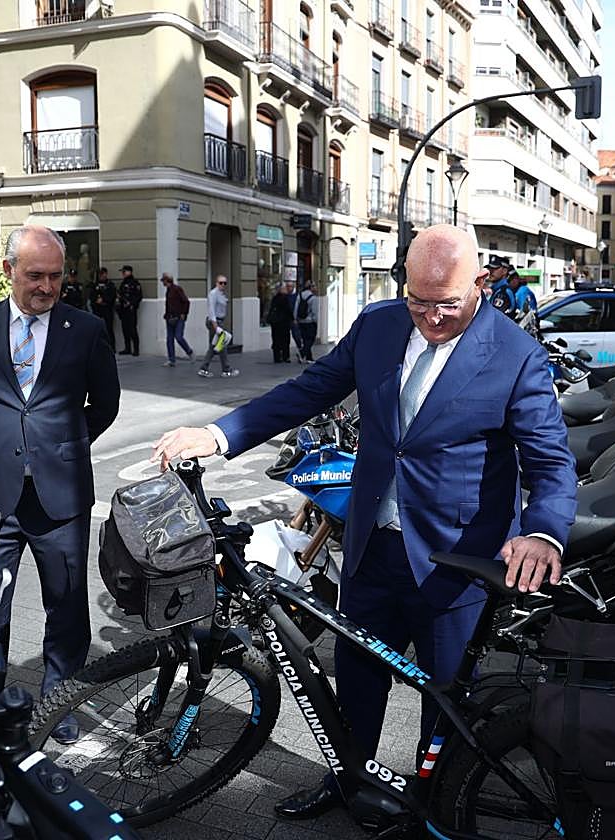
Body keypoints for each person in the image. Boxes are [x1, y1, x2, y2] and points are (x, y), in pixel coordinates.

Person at [153, 224, 576, 821]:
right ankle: (350, 780)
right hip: (371, 543)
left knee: (444, 698)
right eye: (418, 301)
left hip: (455, 560)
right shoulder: (379, 326)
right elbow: (309, 390)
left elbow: (550, 460)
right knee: (356, 678)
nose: (431, 318)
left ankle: (437, 807)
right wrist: (220, 434)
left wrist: (542, 531)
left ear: (480, 283)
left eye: (447, 303)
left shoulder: (515, 354)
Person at [0, 224, 120, 745]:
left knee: (65, 605)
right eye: (35, 275)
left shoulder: (85, 329)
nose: (46, 287)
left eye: (55, 276)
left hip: (60, 498)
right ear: (9, 271)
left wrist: (60, 445)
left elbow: (105, 404)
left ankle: (58, 702)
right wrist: (3, 445)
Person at [197, 274, 238, 378]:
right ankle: (226, 369)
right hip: (214, 322)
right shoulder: (213, 294)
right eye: (221, 283)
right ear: (216, 283)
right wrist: (216, 327)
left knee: (215, 345)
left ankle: (204, 368)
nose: (223, 285)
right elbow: (211, 311)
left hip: (219, 322)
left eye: (225, 283)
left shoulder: (222, 294)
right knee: (221, 345)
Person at [162, 272, 193, 366]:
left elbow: (186, 301)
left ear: (167, 280)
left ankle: (189, 352)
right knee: (169, 339)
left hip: (179, 317)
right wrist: (166, 315)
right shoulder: (168, 290)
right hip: (169, 317)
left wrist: (184, 313)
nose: (162, 282)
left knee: (178, 337)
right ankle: (171, 360)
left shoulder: (177, 289)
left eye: (163, 280)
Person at [117, 265, 144, 356]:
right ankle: (127, 348)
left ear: (129, 272)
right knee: (125, 329)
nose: (123, 274)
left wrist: (131, 303)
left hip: (131, 310)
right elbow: (120, 295)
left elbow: (139, 296)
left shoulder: (135, 283)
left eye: (124, 272)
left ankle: (136, 349)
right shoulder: (123, 283)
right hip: (123, 310)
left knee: (132, 329)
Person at [267, 280, 295, 363]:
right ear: (281, 289)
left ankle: (277, 357)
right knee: (285, 340)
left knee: (276, 340)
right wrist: (293, 318)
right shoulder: (285, 298)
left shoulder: (275, 298)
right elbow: (288, 310)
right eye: (285, 288)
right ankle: (286, 357)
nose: (286, 289)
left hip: (275, 323)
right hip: (283, 322)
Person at [93, 267, 117, 348]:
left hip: (107, 309)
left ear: (106, 274)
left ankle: (112, 347)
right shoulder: (95, 284)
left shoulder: (110, 284)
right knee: (97, 329)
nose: (101, 276)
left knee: (109, 329)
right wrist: (96, 300)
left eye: (102, 274)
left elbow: (112, 296)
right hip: (98, 309)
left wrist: (103, 299)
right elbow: (92, 295)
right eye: (100, 274)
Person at [295, 279, 318, 362]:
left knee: (305, 339)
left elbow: (296, 308)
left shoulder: (300, 295)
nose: (316, 287)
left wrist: (296, 318)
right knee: (311, 339)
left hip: (301, 321)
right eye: (314, 286)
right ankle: (302, 352)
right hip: (310, 322)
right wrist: (315, 321)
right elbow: (315, 311)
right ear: (311, 287)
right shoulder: (313, 298)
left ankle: (309, 357)